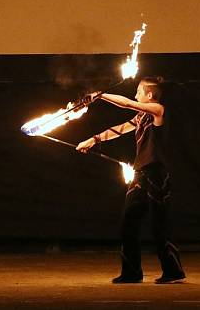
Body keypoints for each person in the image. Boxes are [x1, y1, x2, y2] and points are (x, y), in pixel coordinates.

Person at [77, 77, 185, 284]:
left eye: (138, 91)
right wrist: (93, 140)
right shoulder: (141, 117)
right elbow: (120, 129)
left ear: (150, 95)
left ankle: (174, 271)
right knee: (128, 220)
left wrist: (100, 95)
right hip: (140, 173)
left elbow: (126, 103)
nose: (136, 95)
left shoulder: (158, 110)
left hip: (156, 173)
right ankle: (131, 272)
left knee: (159, 223)